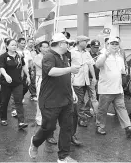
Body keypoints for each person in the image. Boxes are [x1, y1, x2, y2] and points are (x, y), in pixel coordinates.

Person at [29, 33, 79, 163]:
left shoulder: (65, 56)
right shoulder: (49, 56)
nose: (68, 45)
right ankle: (35, 142)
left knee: (67, 127)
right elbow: (51, 71)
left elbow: (66, 78)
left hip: (66, 99)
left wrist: (72, 92)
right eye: (66, 43)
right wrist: (70, 69)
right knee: (49, 127)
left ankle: (63, 157)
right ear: (61, 43)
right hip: (50, 100)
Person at [95, 37, 131, 137]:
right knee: (102, 110)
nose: (115, 46)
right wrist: (106, 55)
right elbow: (97, 65)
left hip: (118, 89)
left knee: (122, 108)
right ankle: (100, 126)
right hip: (106, 90)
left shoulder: (119, 58)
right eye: (112, 44)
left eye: (116, 44)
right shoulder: (103, 55)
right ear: (107, 45)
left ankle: (128, 128)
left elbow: (123, 72)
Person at [0, 39, 30, 129]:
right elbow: (1, 67)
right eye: (12, 45)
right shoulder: (3, 56)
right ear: (7, 46)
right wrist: (6, 75)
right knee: (4, 101)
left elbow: (23, 65)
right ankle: (3, 118)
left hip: (18, 82)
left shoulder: (19, 56)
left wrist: (27, 75)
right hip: (6, 83)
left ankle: (21, 122)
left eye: (15, 45)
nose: (14, 46)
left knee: (18, 101)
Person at [33, 41, 56, 144]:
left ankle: (47, 118)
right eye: (44, 47)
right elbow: (47, 68)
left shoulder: (51, 56)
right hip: (40, 79)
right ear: (40, 48)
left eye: (48, 47)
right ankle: (39, 118)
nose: (46, 49)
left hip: (50, 79)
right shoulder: (37, 57)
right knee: (40, 99)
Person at [71, 35, 96, 127]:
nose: (87, 43)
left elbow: (90, 65)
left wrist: (93, 77)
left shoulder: (86, 53)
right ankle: (81, 118)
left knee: (81, 100)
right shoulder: (72, 52)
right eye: (85, 41)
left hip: (85, 80)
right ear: (79, 42)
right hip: (76, 80)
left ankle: (77, 116)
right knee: (80, 100)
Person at [84, 39, 100, 115]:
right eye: (94, 47)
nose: (96, 49)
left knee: (96, 95)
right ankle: (97, 115)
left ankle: (86, 109)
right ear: (91, 46)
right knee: (93, 96)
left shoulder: (100, 55)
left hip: (99, 78)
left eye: (97, 47)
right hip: (90, 78)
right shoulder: (87, 54)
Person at [0, 37, 11, 114]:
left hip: (12, 76)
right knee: (1, 91)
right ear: (5, 44)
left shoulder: (15, 53)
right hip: (2, 75)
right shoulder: (1, 53)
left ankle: (7, 105)